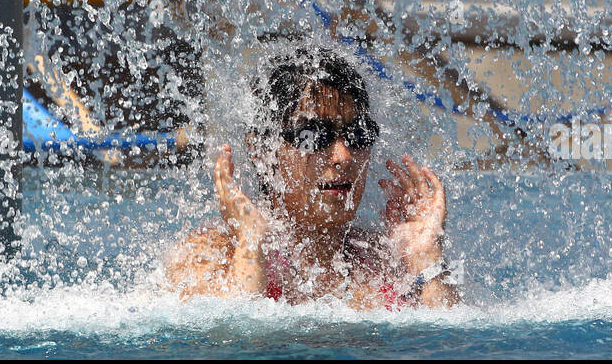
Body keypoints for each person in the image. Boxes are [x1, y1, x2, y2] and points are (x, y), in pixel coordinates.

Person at [165, 47, 459, 308]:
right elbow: (228, 344)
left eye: (358, 134)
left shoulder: (384, 261)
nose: (343, 156)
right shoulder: (209, 254)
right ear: (262, 151)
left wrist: (427, 259)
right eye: (314, 135)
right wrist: (252, 240)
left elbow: (446, 348)